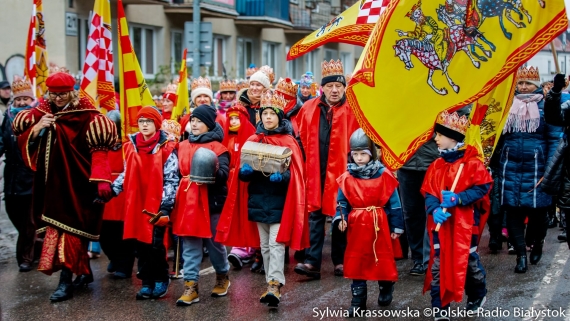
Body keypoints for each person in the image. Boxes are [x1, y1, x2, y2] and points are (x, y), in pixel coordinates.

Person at [12, 70, 116, 302]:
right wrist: (38, 128)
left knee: (70, 232)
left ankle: (65, 281)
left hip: (78, 183)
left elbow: (99, 152)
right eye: (54, 94)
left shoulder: (89, 116)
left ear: (72, 92)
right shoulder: (42, 112)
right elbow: (21, 133)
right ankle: (84, 272)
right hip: (50, 186)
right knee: (60, 231)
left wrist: (101, 180)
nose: (58, 99)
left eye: (63, 94)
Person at [236, 90, 308, 307]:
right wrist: (243, 173)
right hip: (258, 200)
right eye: (264, 113)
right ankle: (270, 283)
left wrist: (284, 176)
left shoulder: (288, 141)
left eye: (272, 113)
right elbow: (239, 174)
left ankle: (275, 284)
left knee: (276, 244)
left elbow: (297, 175)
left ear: (279, 117)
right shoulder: (252, 140)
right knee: (265, 246)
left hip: (280, 202)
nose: (267, 117)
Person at [422, 110, 492, 320]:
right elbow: (429, 192)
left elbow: (483, 188)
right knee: (438, 265)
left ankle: (477, 295)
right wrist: (434, 209)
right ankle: (440, 306)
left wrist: (458, 198)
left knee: (468, 262)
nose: (435, 138)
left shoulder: (471, 163)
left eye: (439, 135)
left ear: (452, 137)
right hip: (441, 226)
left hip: (465, 224)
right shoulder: (436, 165)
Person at [295, 60, 359, 279]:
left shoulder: (353, 109)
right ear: (322, 87)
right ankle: (313, 262)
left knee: (340, 214)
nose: (334, 90)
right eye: (330, 86)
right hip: (314, 169)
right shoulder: (308, 108)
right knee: (315, 215)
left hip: (342, 171)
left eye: (338, 86)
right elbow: (299, 139)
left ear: (344, 88)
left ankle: (340, 260)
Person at [496, 66, 562, 273]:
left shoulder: (545, 106)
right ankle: (521, 256)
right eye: (521, 83)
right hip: (511, 166)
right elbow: (497, 137)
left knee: (538, 214)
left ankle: (538, 241)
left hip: (537, 167)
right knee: (513, 212)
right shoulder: (507, 106)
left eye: (528, 84)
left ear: (535, 85)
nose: (524, 87)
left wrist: (550, 168)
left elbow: (554, 138)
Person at [111, 106, 179, 300]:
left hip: (157, 204)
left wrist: (166, 205)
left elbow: (171, 178)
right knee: (140, 245)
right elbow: (126, 173)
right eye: (141, 121)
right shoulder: (131, 145)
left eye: (148, 121)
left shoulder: (167, 147)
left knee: (156, 245)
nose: (144, 125)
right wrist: (112, 190)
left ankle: (161, 278)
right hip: (137, 203)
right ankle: (147, 282)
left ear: (156, 124)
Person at [337, 129, 404, 317]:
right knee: (357, 261)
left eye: (363, 154)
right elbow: (341, 202)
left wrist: (396, 227)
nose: (358, 158)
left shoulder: (384, 175)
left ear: (371, 153)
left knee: (380, 258)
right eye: (355, 154)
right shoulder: (347, 177)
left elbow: (395, 203)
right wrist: (341, 218)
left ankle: (386, 286)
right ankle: (358, 301)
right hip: (356, 226)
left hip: (379, 224)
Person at [173, 105, 231, 306]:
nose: (194, 124)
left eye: (199, 121)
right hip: (188, 203)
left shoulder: (219, 148)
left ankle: (222, 275)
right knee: (190, 244)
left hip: (211, 201)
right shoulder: (181, 146)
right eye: (192, 121)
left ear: (208, 124)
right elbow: (175, 174)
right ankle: (191, 286)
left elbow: (224, 175)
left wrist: (210, 168)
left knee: (214, 245)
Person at [0, 76, 37, 272]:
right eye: (18, 99)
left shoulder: (37, 118)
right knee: (12, 212)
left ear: (31, 100)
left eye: (26, 99)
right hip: (12, 176)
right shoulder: (8, 117)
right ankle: (34, 247)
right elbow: (1, 141)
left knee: (29, 220)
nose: (22, 103)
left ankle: (25, 257)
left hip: (30, 175)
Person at [216, 103, 258, 269]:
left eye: (236, 118)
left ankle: (251, 248)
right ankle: (239, 247)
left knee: (247, 215)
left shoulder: (250, 136)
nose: (233, 121)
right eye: (230, 118)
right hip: (230, 182)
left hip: (245, 182)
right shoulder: (227, 138)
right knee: (234, 215)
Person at [99, 110, 135, 279]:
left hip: (122, 192)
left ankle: (125, 266)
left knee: (123, 233)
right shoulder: (101, 144)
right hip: (105, 190)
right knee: (104, 233)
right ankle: (114, 257)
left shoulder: (128, 144)